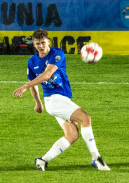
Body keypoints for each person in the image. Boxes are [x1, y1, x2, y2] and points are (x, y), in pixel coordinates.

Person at [14, 29, 111, 172]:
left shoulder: (57, 53)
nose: (41, 46)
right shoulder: (32, 61)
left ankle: (42, 160)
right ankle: (96, 158)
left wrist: (24, 87)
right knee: (85, 118)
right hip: (54, 101)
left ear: (48, 42)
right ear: (34, 45)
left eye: (43, 42)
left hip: (61, 100)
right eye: (37, 43)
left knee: (72, 135)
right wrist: (38, 102)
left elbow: (47, 74)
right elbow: (33, 83)